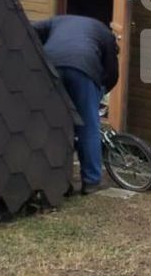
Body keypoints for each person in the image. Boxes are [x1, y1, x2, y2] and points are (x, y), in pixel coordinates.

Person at [32, 15, 119, 195]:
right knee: (88, 127)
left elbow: (29, 29)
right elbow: (111, 72)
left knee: (54, 125)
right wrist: (100, 93)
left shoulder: (55, 21)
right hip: (82, 68)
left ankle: (53, 180)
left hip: (49, 66)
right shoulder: (104, 33)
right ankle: (91, 181)